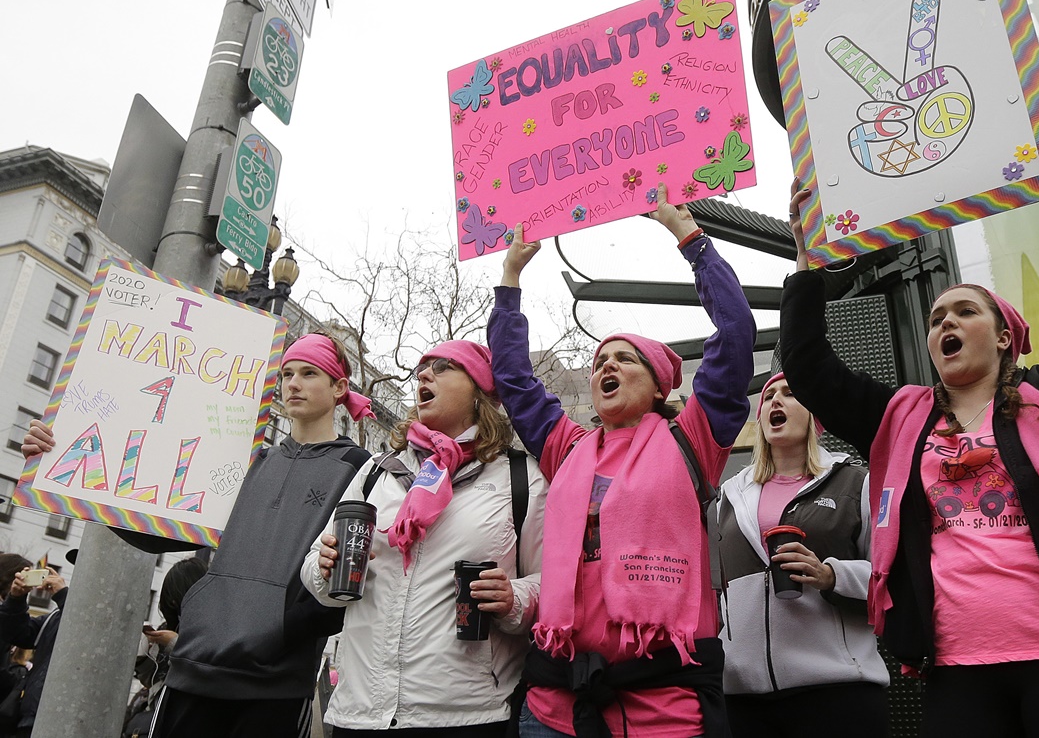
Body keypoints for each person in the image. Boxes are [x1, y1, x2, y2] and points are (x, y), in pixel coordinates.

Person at [779, 127, 1039, 737]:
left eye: (966, 311)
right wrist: (807, 263)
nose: (946, 323)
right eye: (937, 318)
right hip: (958, 669)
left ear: (1005, 336)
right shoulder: (898, 420)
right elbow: (808, 365)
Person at [488, 183, 756, 738]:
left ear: (660, 385)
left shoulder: (693, 440)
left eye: (622, 359)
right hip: (553, 710)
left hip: (663, 711)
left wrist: (690, 239)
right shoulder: (567, 450)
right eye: (597, 360)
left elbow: (734, 335)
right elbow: (514, 382)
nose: (604, 367)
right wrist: (510, 280)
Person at [16, 331, 372, 738]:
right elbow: (161, 532)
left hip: (275, 683)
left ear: (340, 387)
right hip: (193, 668)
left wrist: (281, 631)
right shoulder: (246, 460)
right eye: (287, 373)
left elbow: (349, 576)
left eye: (309, 373)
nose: (293, 383)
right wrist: (62, 463)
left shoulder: (359, 468)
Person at [301, 340, 547, 736]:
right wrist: (324, 568)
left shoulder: (521, 478)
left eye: (443, 367)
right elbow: (314, 565)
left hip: (465, 716)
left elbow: (552, 584)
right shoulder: (377, 473)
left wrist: (513, 599)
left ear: (480, 391)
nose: (423, 375)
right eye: (421, 368)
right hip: (359, 712)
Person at [717, 372, 889, 737]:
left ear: (816, 416)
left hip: (836, 690)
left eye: (791, 393)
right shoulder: (728, 496)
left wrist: (832, 576)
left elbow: (890, 579)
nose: (775, 402)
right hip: (743, 697)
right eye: (768, 397)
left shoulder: (856, 482)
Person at [124, 557, 209, 738]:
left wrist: (174, 644)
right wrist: (143, 657)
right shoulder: (168, 626)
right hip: (161, 716)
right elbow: (152, 680)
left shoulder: (215, 629)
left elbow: (207, 669)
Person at [0, 565, 68, 737]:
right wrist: (16, 598)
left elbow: (87, 633)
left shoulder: (72, 608)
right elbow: (18, 634)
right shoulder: (56, 615)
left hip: (66, 722)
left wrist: (63, 596)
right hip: (29, 720)